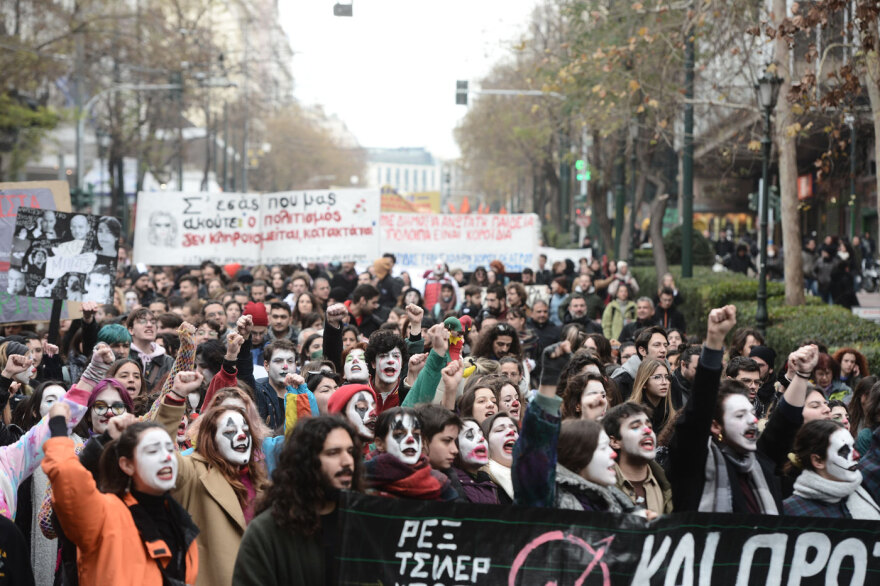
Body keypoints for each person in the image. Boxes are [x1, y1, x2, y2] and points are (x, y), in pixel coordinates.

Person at [43, 411, 199, 586]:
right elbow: (68, 479)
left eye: (170, 449)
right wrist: (58, 425)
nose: (167, 457)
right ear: (127, 464)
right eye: (153, 450)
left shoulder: (180, 520)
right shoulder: (105, 513)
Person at [232, 416, 362, 585]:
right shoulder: (267, 533)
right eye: (333, 453)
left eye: (350, 452)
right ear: (306, 463)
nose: (347, 462)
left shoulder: (363, 522)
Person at [783, 420, 880, 519]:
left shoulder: (865, 486)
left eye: (853, 447)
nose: (856, 455)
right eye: (844, 450)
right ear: (818, 461)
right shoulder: (791, 512)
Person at [364, 407, 456, 500]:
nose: (411, 440)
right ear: (380, 444)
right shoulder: (360, 479)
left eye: (416, 434)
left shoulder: (441, 485)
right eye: (399, 434)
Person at [603, 402, 673, 514]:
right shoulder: (602, 489)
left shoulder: (667, 485)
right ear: (615, 441)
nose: (647, 431)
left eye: (649, 426)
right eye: (635, 427)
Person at [611, 326, 668, 401]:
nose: (663, 350)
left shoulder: (669, 376)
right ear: (642, 351)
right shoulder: (622, 380)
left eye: (665, 345)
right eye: (657, 345)